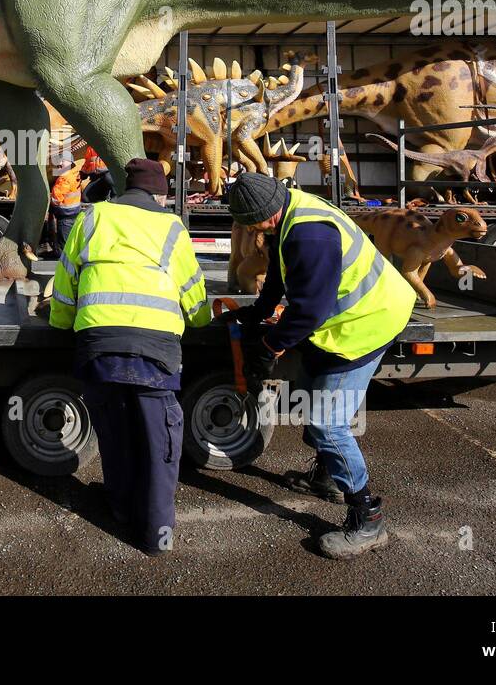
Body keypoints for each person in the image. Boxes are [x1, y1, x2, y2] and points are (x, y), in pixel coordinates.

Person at [224, 172, 416, 559]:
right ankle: (327, 477)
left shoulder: (310, 233)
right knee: (312, 390)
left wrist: (269, 346)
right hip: (349, 318)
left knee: (328, 423)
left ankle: (368, 517)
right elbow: (280, 272)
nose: (247, 232)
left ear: (265, 216)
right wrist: (257, 312)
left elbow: (309, 310)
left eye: (249, 225)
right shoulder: (289, 211)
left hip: (368, 322)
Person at [50, 157, 212, 555]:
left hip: (98, 344)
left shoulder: (92, 218)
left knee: (115, 432)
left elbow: (66, 279)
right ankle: (156, 534)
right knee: (159, 443)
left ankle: (121, 509)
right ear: (160, 194)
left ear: (124, 189)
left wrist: (61, 320)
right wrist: (203, 317)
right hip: (154, 352)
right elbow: (192, 289)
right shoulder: (171, 226)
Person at [48, 158, 83, 256]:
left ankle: (65, 263)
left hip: (65, 216)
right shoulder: (73, 176)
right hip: (73, 213)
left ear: (70, 163)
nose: (59, 163)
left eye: (62, 161)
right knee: (70, 241)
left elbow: (56, 199)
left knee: (65, 245)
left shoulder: (64, 179)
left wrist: (50, 201)